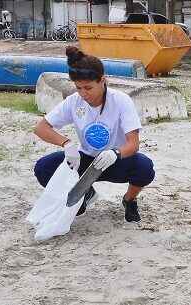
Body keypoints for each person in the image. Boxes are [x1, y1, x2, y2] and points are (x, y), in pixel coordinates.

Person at [33, 46, 156, 222]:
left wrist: (116, 153)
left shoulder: (121, 101)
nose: (83, 94)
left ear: (102, 80)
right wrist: (66, 144)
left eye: (88, 88)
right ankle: (86, 193)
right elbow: (41, 128)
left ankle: (129, 200)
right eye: (78, 88)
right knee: (43, 168)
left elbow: (133, 143)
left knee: (145, 168)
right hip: (86, 159)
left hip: (115, 160)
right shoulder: (74, 101)